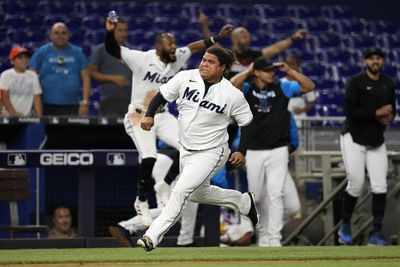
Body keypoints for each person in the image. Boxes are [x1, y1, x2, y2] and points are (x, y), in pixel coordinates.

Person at [104, 16, 233, 227]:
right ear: (158, 46)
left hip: (162, 115)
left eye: (174, 43)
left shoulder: (176, 58)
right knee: (149, 158)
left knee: (189, 148)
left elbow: (193, 47)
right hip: (138, 115)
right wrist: (110, 32)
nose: (174, 47)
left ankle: (163, 185)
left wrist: (217, 37)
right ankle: (141, 202)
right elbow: (113, 49)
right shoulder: (142, 59)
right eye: (170, 43)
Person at [136, 47, 259, 251]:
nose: (204, 64)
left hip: (212, 151)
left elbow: (247, 123)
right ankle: (243, 202)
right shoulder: (185, 78)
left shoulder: (231, 94)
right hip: (187, 149)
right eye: (203, 60)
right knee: (197, 194)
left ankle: (152, 236)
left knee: (181, 190)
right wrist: (150, 114)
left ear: (223, 68)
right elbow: (161, 95)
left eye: (211, 62)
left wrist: (241, 151)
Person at [230, 56, 315, 246]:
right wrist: (249, 70)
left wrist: (290, 71)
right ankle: (263, 232)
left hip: (278, 148)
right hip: (254, 150)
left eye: (272, 70)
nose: (271, 73)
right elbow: (230, 85)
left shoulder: (282, 87)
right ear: (257, 73)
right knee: (257, 196)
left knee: (276, 194)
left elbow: (309, 87)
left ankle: (274, 238)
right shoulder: (247, 88)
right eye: (267, 70)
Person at [338, 47, 396, 246]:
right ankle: (344, 225)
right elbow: (350, 111)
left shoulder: (388, 83)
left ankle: (376, 233)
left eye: (379, 58)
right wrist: (376, 112)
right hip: (353, 137)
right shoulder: (356, 82)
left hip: (376, 140)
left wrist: (388, 116)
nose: (375, 61)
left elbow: (391, 110)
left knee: (380, 187)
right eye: (372, 58)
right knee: (356, 183)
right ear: (365, 62)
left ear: (382, 62)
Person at [198, 10, 309, 79]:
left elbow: (276, 48)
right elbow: (212, 44)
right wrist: (204, 26)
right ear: (234, 38)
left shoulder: (253, 55)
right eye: (243, 35)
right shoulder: (227, 54)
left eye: (248, 35)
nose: (248, 37)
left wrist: (292, 38)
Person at [29, 22, 90, 116]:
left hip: (72, 105)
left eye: (63, 33)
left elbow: (86, 78)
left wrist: (85, 102)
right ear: (50, 35)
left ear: (69, 35)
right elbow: (31, 76)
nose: (60, 36)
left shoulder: (78, 53)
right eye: (56, 33)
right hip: (45, 105)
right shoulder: (41, 52)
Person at [89, 16, 132, 116]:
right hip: (109, 101)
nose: (123, 34)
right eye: (120, 30)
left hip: (131, 101)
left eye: (125, 31)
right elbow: (91, 72)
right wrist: (113, 78)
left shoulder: (132, 51)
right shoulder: (101, 50)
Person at [0, 46, 42, 117]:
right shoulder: (6, 75)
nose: (24, 60)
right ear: (12, 61)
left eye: (26, 58)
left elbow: (37, 97)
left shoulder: (33, 75)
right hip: (8, 117)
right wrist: (14, 114)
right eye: (20, 58)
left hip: (26, 117)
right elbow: (4, 98)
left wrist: (39, 116)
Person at [284, 54, 316, 127]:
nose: (291, 67)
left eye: (293, 64)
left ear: (298, 65)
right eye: (288, 64)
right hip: (284, 121)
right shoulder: (280, 82)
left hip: (300, 120)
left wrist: (301, 110)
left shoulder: (305, 82)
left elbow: (312, 102)